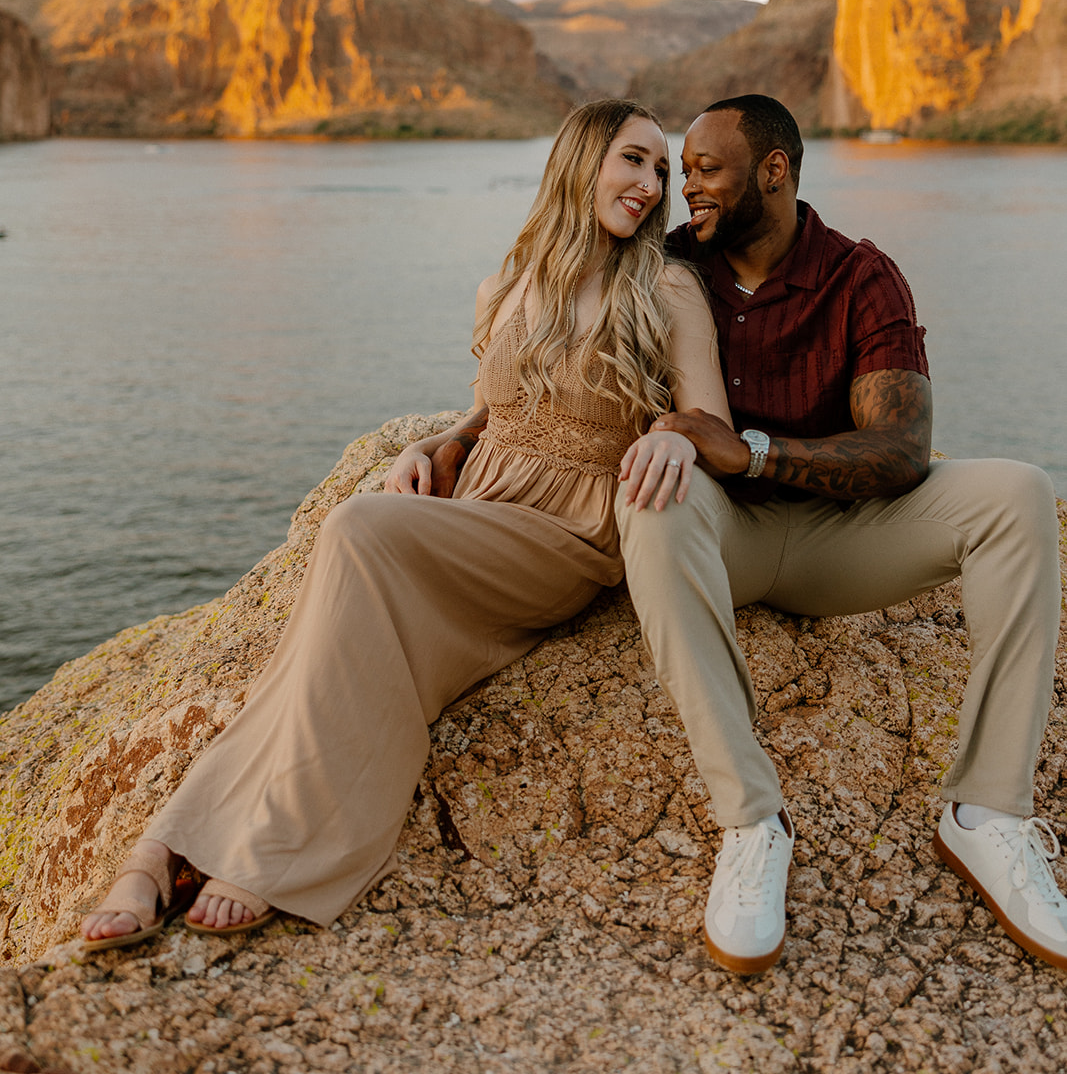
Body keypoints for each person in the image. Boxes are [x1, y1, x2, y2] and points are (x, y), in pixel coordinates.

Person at [80, 98, 730, 951]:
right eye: (632, 161)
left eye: (660, 170)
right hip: (472, 517)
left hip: (568, 535)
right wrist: (435, 442)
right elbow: (489, 415)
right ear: (579, 161)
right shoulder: (505, 283)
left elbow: (708, 421)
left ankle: (274, 848)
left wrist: (677, 441)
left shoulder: (666, 285)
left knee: (355, 528)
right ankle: (163, 845)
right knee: (312, 655)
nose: (650, 187)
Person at [620, 94, 1065, 975]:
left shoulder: (861, 276)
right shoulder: (666, 265)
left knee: (1017, 492)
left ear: (774, 171)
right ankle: (752, 824)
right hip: (721, 542)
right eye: (682, 172)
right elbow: (545, 333)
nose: (687, 191)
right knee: (651, 494)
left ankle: (985, 817)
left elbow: (900, 453)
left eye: (706, 169)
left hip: (844, 544)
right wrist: (461, 433)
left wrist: (748, 451)